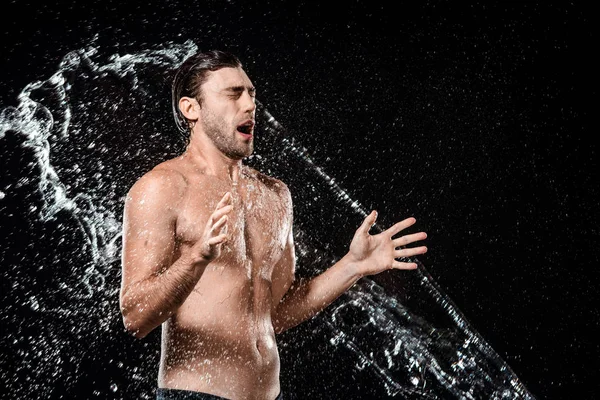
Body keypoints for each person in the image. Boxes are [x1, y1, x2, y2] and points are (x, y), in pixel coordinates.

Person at [119, 50, 428, 400]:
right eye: (233, 94)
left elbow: (274, 313)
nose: (250, 104)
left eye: (251, 94)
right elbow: (136, 316)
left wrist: (352, 266)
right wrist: (195, 259)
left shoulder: (274, 195)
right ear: (192, 109)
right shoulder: (163, 187)